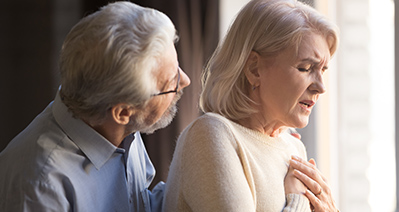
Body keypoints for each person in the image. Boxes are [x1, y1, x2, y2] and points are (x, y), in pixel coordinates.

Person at [0, 2, 190, 212]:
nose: (186, 81)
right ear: (123, 112)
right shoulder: (40, 187)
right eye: (171, 81)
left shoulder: (120, 128)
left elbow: (139, 205)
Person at [163, 0, 339, 211]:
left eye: (323, 70)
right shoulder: (210, 135)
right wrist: (298, 201)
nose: (320, 87)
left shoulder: (293, 147)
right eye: (305, 68)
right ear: (254, 69)